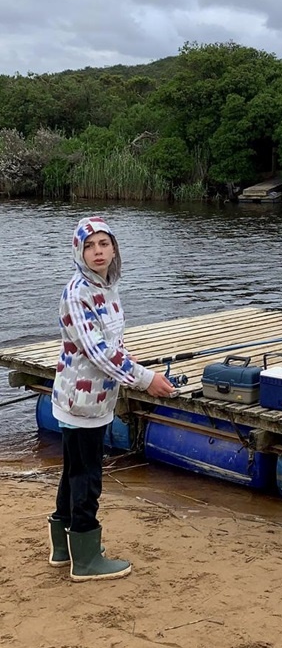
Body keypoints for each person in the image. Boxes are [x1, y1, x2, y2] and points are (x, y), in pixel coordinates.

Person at [48, 215, 175, 582]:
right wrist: (146, 379)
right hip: (80, 400)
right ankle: (86, 559)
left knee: (73, 471)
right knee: (87, 475)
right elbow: (98, 352)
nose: (97, 251)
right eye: (89, 246)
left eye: (104, 244)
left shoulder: (107, 286)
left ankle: (63, 548)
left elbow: (114, 344)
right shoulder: (77, 292)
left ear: (114, 248)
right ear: (78, 251)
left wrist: (133, 366)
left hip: (98, 398)